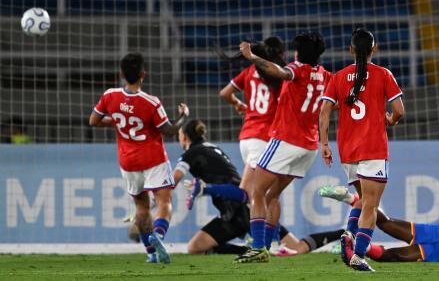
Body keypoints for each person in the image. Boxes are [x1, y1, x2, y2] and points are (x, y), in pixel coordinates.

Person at [174, 119, 345, 255]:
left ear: (184, 137)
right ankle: (343, 234)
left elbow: (173, 180)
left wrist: (205, 189)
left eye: (179, 135)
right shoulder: (212, 148)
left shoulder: (191, 153)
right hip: (235, 212)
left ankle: (342, 234)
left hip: (243, 213)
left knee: (295, 244)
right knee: (195, 246)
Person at [235, 31, 330, 263]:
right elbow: (334, 103)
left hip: (286, 140)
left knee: (256, 192)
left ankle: (258, 248)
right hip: (309, 147)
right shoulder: (326, 75)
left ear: (299, 52)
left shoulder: (297, 68)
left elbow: (278, 71)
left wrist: (252, 57)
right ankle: (266, 246)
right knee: (272, 195)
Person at [89, 53, 189, 264]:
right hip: (152, 159)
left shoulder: (109, 96)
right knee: (164, 201)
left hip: (128, 162)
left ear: (121, 74)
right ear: (143, 74)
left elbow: (94, 121)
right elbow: (169, 130)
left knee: (141, 208)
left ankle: (151, 253)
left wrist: (117, 119)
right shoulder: (151, 102)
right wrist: (183, 116)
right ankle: (159, 236)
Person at [318, 28, 404, 271]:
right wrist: (391, 120)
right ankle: (358, 256)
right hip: (374, 148)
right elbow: (399, 109)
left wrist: (324, 144)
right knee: (371, 206)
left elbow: (324, 112)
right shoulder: (383, 74)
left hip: (348, 150)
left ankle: (349, 233)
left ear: (351, 50)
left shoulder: (338, 77)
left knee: (365, 200)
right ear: (374, 49)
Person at [218, 37, 286, 204]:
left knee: (264, 198)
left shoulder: (249, 71)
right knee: (248, 194)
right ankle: (205, 189)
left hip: (247, 138)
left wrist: (239, 104)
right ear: (281, 53)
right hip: (263, 139)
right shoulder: (280, 75)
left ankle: (274, 231)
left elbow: (225, 93)